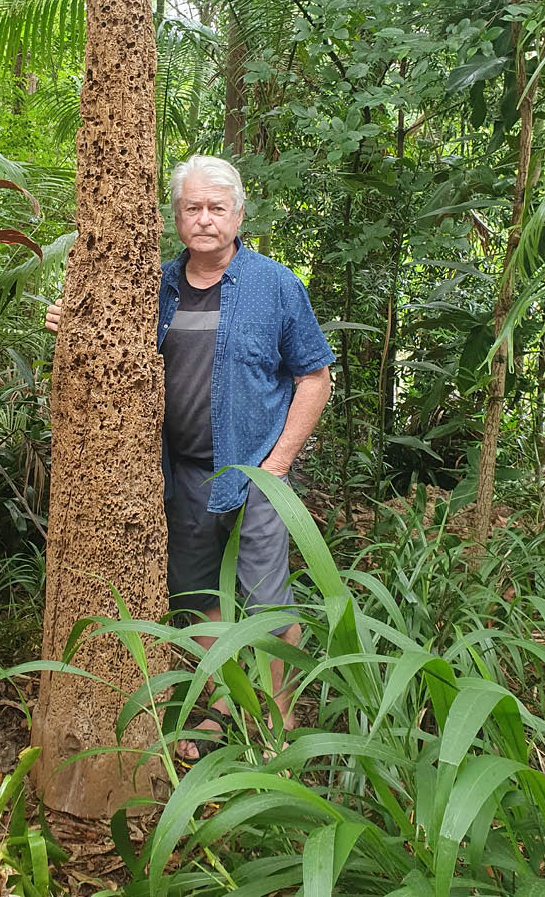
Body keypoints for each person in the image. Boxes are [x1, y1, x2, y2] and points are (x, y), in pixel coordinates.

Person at [45, 155, 334, 760]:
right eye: (191, 208)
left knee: (267, 600)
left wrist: (278, 464)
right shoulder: (156, 287)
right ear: (175, 215)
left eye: (216, 208)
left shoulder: (276, 286)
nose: (204, 219)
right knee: (197, 595)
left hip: (258, 471)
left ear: (238, 214)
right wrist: (73, 323)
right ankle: (223, 708)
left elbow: (315, 376)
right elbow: (113, 343)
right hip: (184, 475)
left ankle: (279, 728)